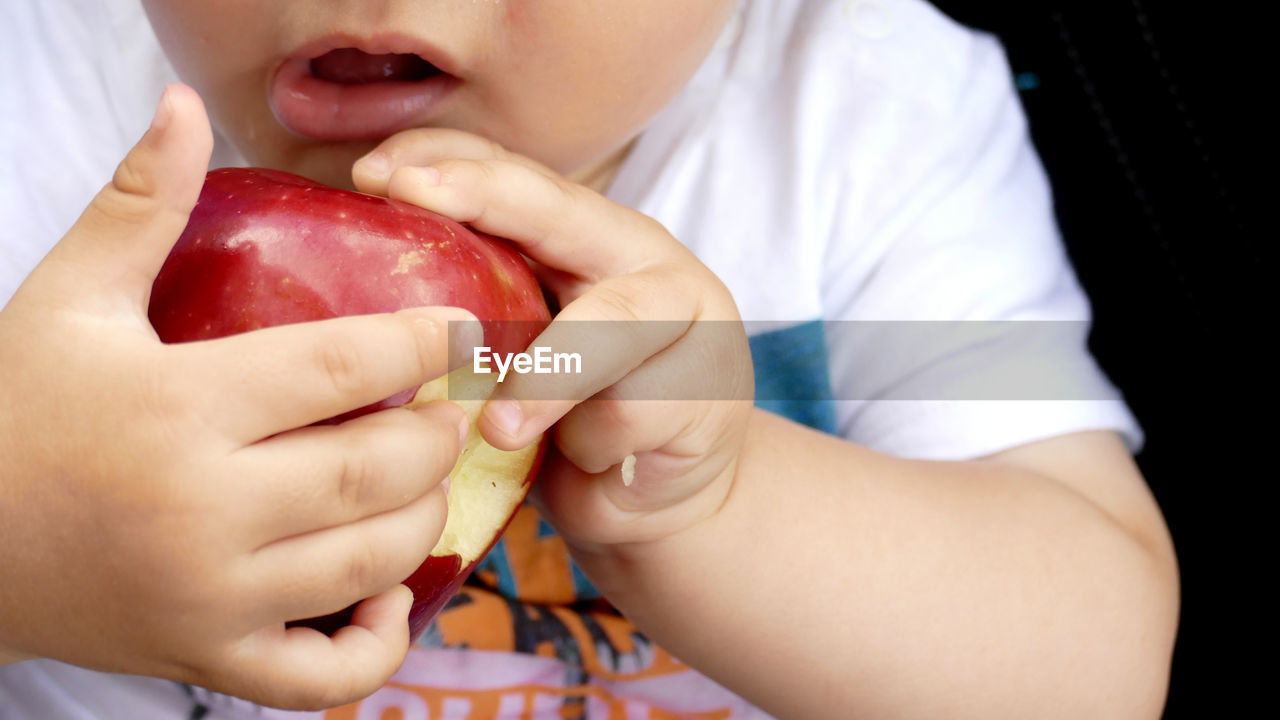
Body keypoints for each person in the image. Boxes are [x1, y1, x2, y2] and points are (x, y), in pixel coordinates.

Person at [0, 0, 1179, 717]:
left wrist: (718, 503)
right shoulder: (35, 107)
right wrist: (27, 542)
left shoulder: (862, 111)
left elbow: (1092, 673)